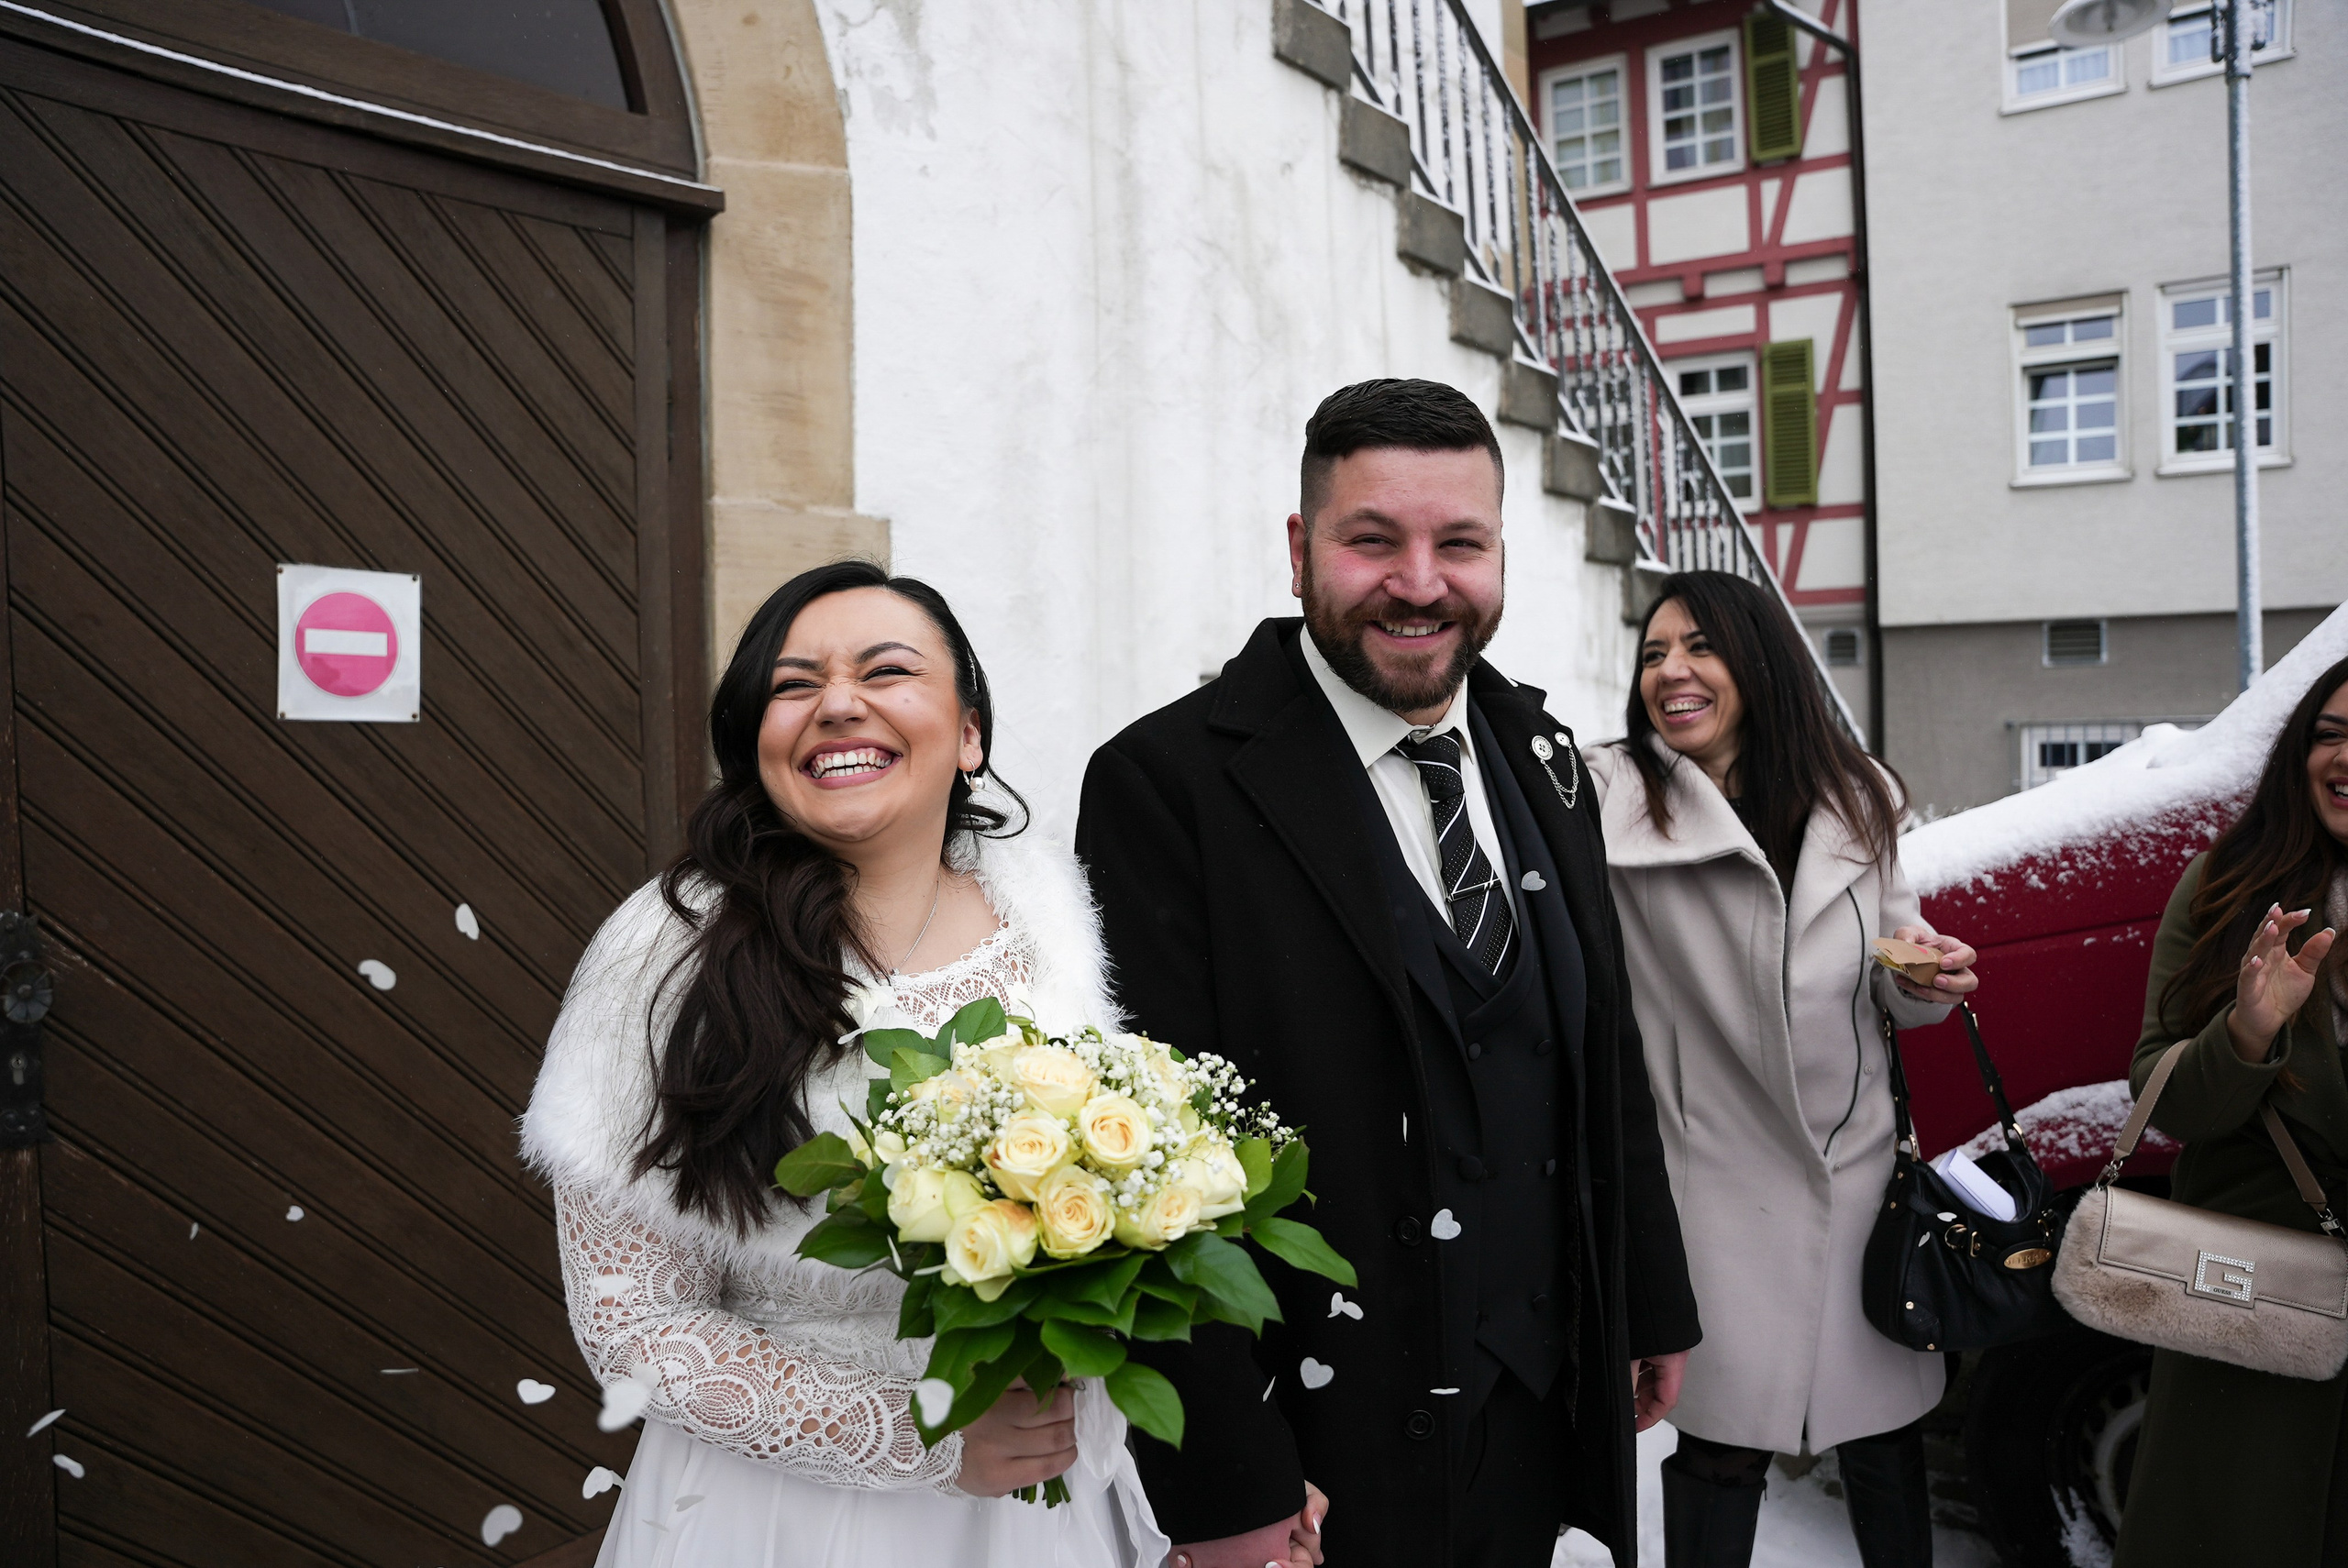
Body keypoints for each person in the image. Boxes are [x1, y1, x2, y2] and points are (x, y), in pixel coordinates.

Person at [1076, 378, 1701, 1568]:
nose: (1420, 582)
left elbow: (1598, 1045)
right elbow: (1143, 1157)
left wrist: (1645, 1295)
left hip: (1530, 1393)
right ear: (1303, 548)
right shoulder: (1167, 784)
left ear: (1499, 552)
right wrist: (1226, 1485)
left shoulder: (1544, 752)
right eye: (1374, 541)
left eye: (1458, 543)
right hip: (1317, 1433)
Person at [519, 560, 1180, 1568]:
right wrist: (926, 1433)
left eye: (886, 671)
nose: (837, 704)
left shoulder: (1051, 917)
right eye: (793, 686)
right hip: (775, 1513)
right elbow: (633, 1321)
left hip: (1038, 1500)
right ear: (755, 744)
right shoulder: (667, 949)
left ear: (968, 734)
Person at [1584, 571, 1980, 1568]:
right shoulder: (1608, 805)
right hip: (1707, 1189)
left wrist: (1928, 980)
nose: (1670, 672)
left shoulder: (1859, 801)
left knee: (1885, 1443)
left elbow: (1891, 991)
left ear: (1758, 659)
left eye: (1698, 647)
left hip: (1857, 1186)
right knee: (1719, 1451)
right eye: (1651, 653)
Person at [2110, 656, 2348, 1567]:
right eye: (2326, 735)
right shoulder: (2228, 884)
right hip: (2248, 1308)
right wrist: (2246, 1031)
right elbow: (2160, 1099)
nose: (2342, 756)